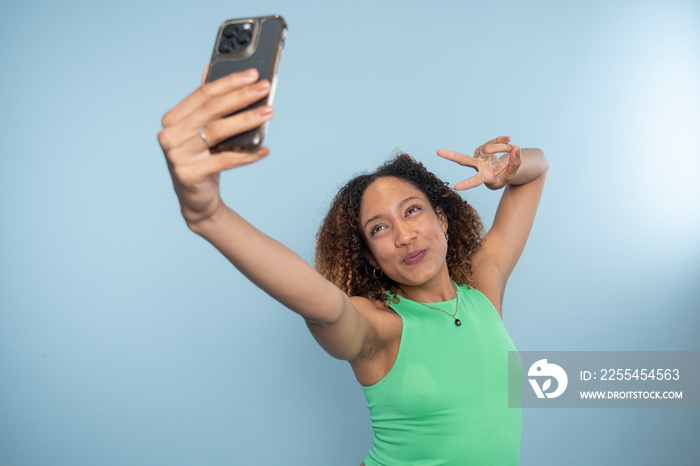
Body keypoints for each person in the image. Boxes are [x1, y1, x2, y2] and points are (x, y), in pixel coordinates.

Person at [158, 68, 548, 465]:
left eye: (412, 211)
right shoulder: (380, 327)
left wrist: (508, 167)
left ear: (442, 219)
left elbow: (537, 170)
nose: (404, 235)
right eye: (380, 228)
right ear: (370, 253)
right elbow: (322, 304)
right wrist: (209, 215)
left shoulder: (484, 289)